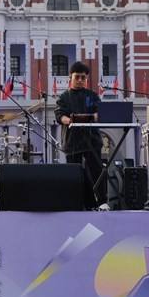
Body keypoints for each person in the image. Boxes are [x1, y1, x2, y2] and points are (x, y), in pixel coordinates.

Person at [55, 61, 106, 209]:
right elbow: (60, 116)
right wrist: (70, 120)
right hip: (72, 142)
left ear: (86, 79)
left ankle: (101, 202)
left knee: (96, 172)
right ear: (70, 77)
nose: (80, 80)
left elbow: (100, 112)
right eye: (77, 77)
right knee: (74, 174)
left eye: (83, 77)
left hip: (92, 140)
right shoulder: (64, 97)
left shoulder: (92, 95)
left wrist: (92, 117)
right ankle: (75, 203)